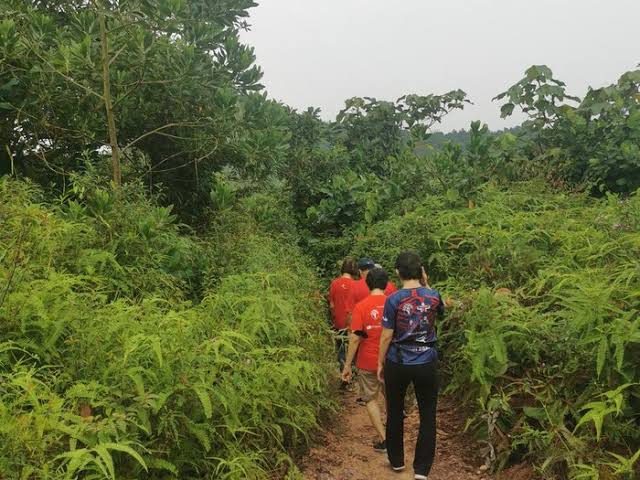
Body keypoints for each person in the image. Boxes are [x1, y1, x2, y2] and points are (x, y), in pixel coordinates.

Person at [377, 251, 444, 480]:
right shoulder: (434, 295)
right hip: (426, 361)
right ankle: (422, 469)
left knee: (395, 410)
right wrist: (426, 285)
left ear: (397, 272)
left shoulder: (393, 299)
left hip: (398, 361)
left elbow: (386, 336)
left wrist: (380, 362)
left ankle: (396, 461)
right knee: (428, 414)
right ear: (421, 270)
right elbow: (439, 313)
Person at [341, 267, 388, 453]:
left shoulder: (361, 306)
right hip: (391, 360)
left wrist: (347, 365)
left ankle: (384, 438)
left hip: (367, 360)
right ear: (386, 284)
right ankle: (393, 434)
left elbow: (355, 338)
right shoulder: (394, 304)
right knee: (391, 397)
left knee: (370, 398)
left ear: (367, 284)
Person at [328, 257, 358, 377]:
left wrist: (333, 317)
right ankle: (354, 375)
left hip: (338, 322)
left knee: (341, 350)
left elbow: (331, 305)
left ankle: (344, 376)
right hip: (353, 323)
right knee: (353, 349)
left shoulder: (334, 283)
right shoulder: (356, 285)